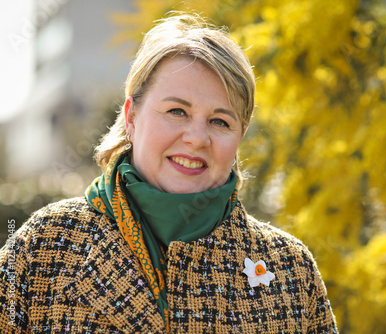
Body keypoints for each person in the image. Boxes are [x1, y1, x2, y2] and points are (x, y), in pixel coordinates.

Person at [0, 12, 338, 333]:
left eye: (220, 121)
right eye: (177, 111)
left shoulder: (289, 268)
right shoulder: (44, 245)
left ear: (240, 136)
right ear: (131, 117)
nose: (196, 138)